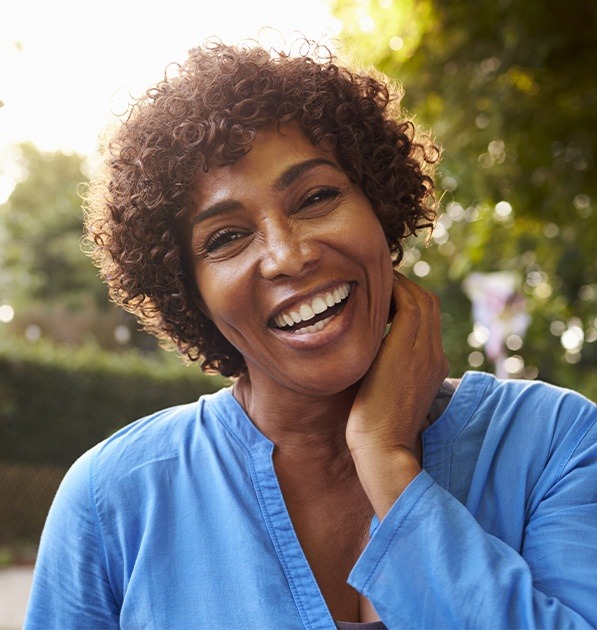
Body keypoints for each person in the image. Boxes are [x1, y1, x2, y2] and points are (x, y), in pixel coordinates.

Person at [25, 40, 597, 629]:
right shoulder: (114, 498)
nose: (287, 256)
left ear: (379, 207)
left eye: (317, 197)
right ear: (188, 292)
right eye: (225, 237)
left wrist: (386, 458)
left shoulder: (554, 443)